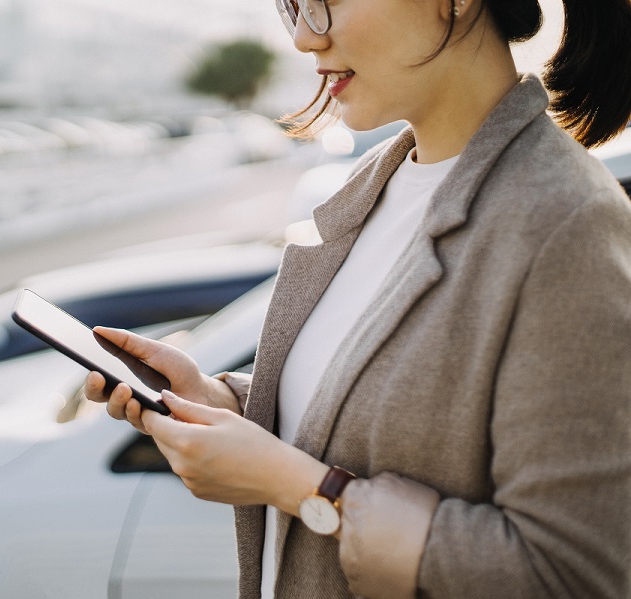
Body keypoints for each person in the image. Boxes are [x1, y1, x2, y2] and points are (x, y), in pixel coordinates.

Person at [85, 0, 631, 596]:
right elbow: (379, 415)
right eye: (293, 7)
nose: (303, 39)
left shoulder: (566, 222)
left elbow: (572, 576)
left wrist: (307, 491)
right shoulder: (375, 185)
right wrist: (221, 400)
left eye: (328, 1)